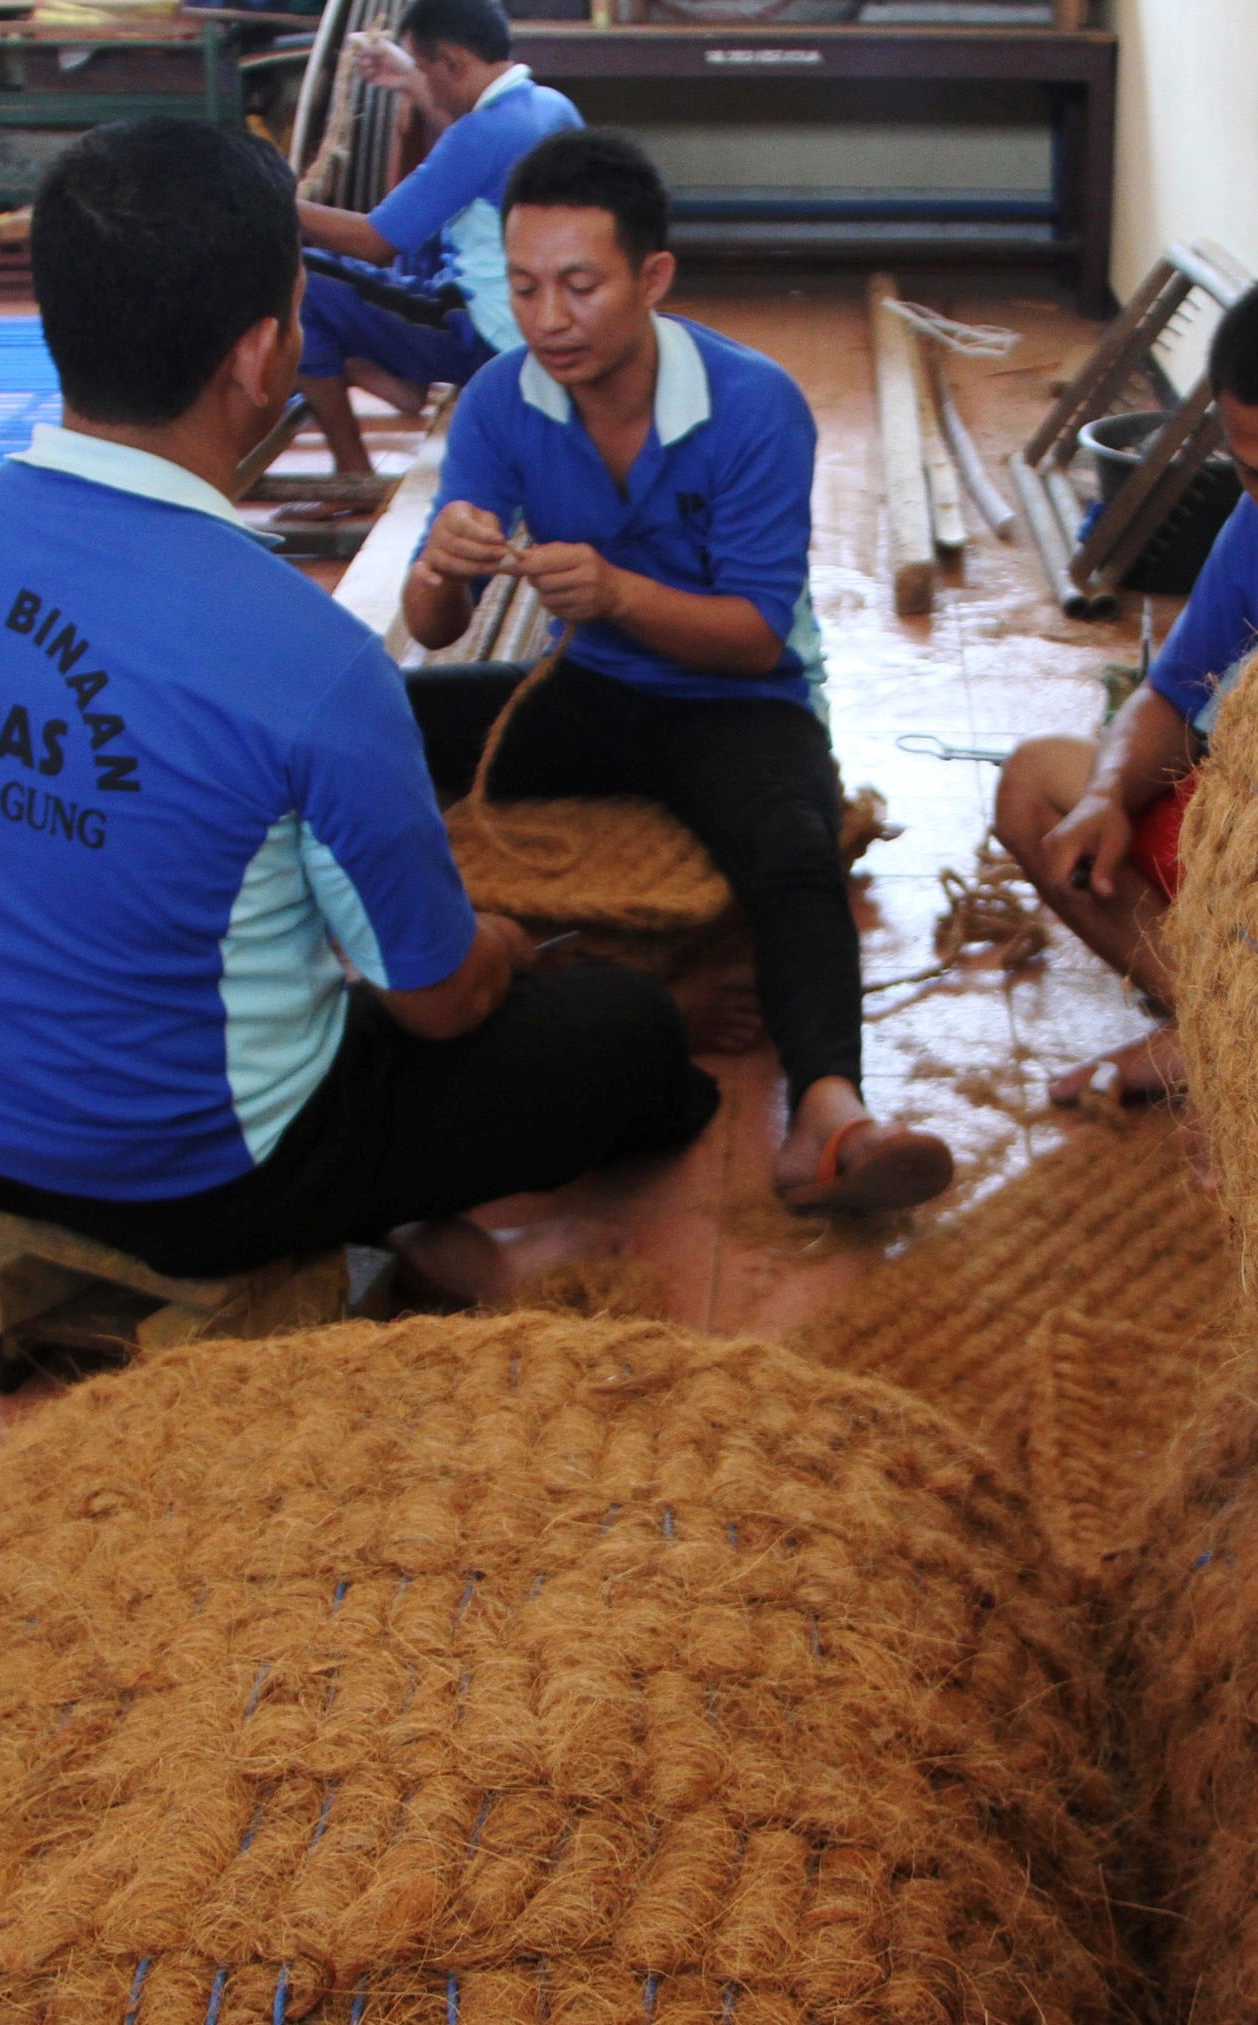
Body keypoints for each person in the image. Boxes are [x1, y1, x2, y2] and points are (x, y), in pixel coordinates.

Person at [0, 117, 718, 1299]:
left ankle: (407, 1220)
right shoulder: (307, 661)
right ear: (262, 357)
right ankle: (422, 1220)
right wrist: (506, 950)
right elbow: (444, 1003)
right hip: (204, 1178)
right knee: (622, 1031)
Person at [400, 129, 954, 1213]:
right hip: (593, 691)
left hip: (737, 701)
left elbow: (754, 637)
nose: (547, 319)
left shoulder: (753, 405)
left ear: (652, 277)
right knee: (375, 724)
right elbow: (429, 626)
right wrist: (440, 566)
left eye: (579, 285)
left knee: (792, 853)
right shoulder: (500, 400)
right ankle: (358, 983)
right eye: (522, 287)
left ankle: (830, 1117)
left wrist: (611, 594)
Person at [994, 266, 1258, 1105]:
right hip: (1257, 847)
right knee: (1039, 791)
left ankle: (1250, 1046)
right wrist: (1110, 796)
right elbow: (1170, 695)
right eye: (1256, 473)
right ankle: (1231, 1036)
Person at [291, 0, 581, 483]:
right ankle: (401, 380)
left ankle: (351, 471)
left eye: (427, 70)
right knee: (427, 227)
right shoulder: (548, 106)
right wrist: (410, 80)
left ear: (452, 62)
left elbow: (373, 242)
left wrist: (264, 197)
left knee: (296, 281)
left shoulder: (480, 135)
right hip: (540, 321)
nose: (426, 85)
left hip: (487, 338)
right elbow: (471, 156)